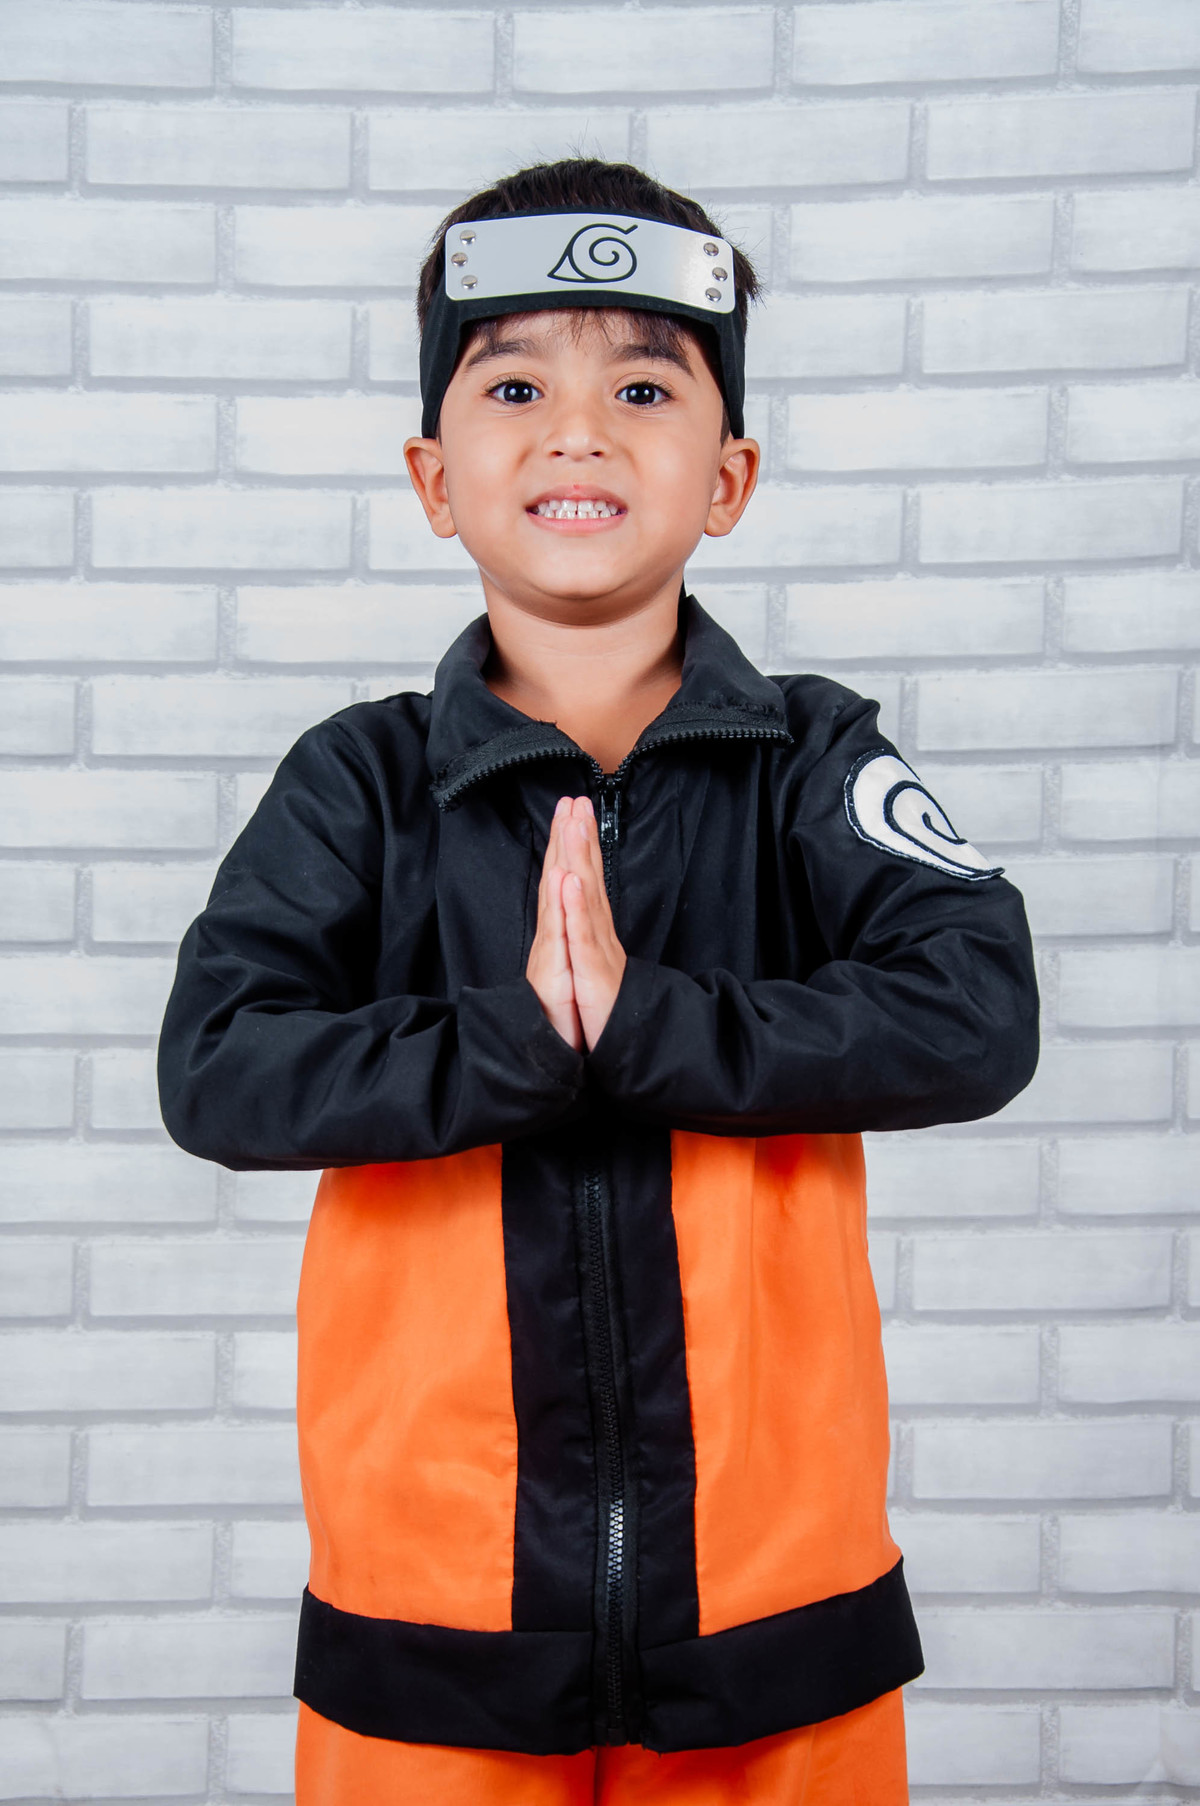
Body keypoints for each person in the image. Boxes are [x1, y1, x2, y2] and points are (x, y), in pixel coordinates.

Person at [157, 157, 1039, 1804]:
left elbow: (978, 1006)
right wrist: (520, 1041)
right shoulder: (360, 781)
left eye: (643, 387)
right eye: (515, 387)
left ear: (731, 474)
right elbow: (218, 1060)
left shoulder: (813, 756)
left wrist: (651, 1024)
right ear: (434, 476)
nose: (579, 433)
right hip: (430, 1636)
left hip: (783, 1632)